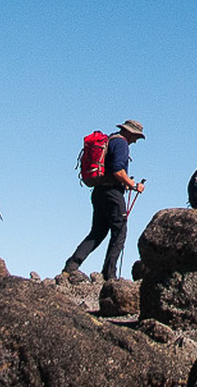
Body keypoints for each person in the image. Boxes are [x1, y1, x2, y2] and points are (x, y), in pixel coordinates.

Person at [62, 120, 146, 281]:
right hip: (112, 193)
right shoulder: (121, 144)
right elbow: (118, 170)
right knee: (120, 230)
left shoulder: (110, 140)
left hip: (99, 191)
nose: (135, 140)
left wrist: (124, 182)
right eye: (136, 136)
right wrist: (133, 185)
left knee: (98, 231)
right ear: (129, 132)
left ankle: (71, 266)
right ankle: (109, 276)